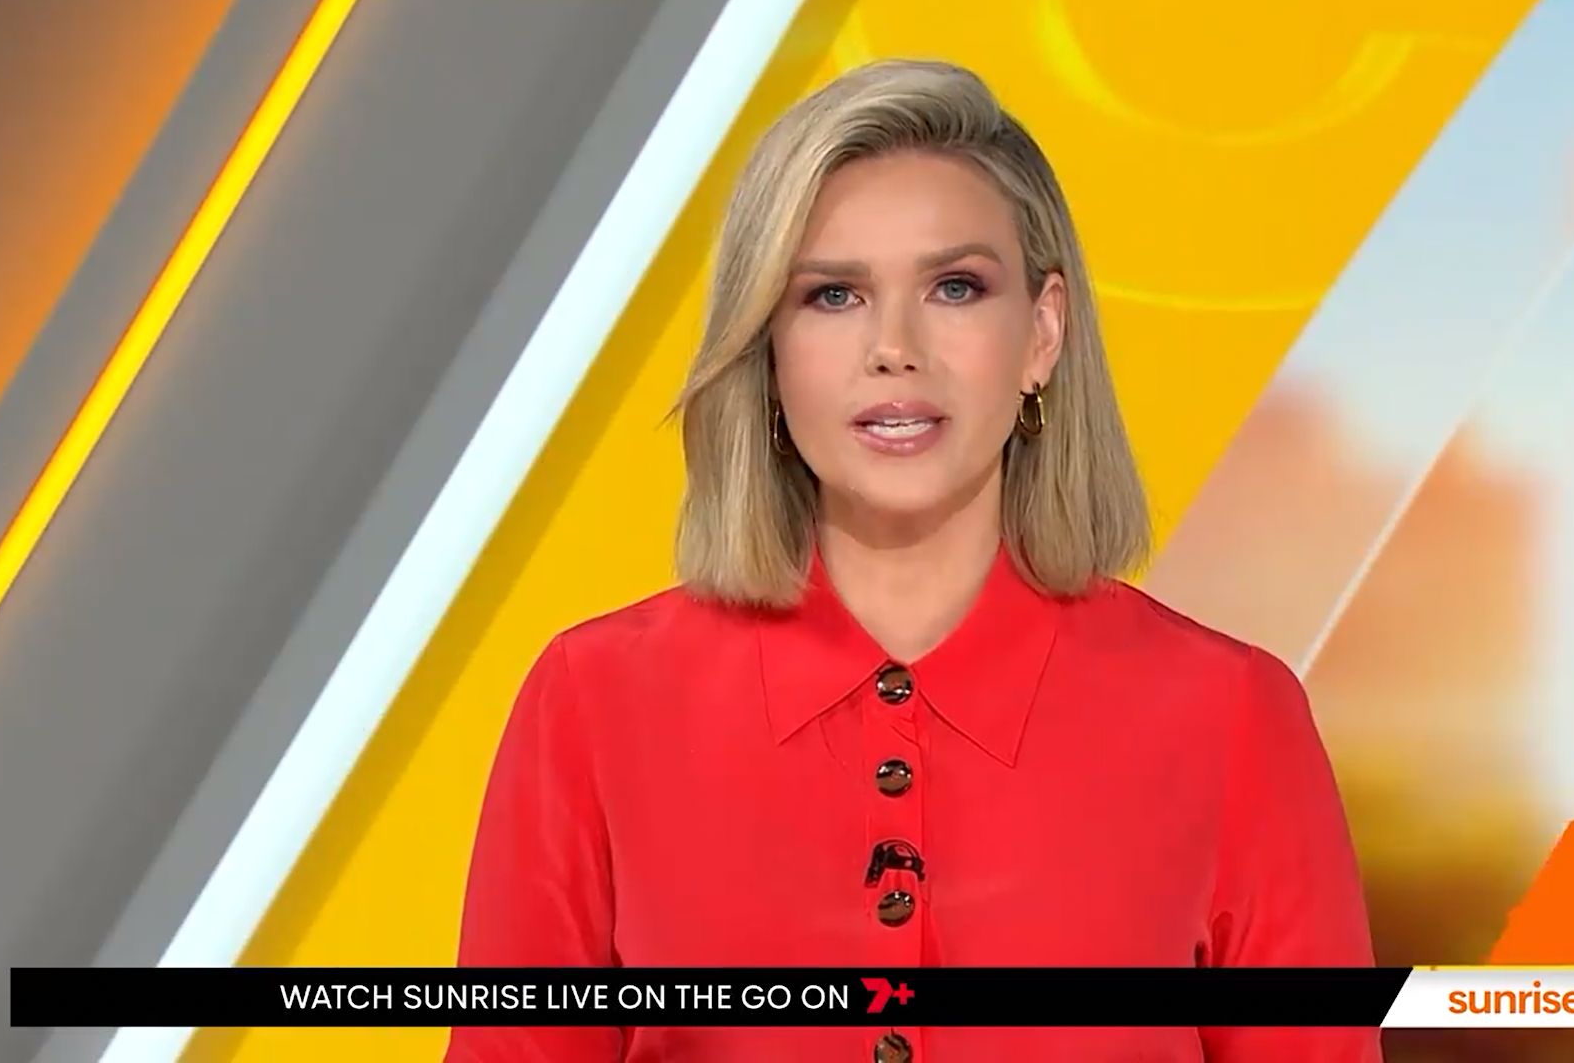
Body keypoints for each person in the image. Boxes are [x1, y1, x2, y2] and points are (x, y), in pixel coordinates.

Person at [447, 58, 1378, 1062]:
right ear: (767, 352)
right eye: (833, 295)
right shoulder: (594, 702)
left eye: (955, 287)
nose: (894, 347)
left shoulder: (1231, 717)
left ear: (1043, 333)